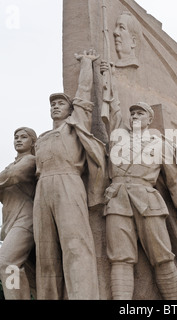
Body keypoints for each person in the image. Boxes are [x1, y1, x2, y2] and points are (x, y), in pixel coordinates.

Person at [100, 61, 177, 300]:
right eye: (132, 113)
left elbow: (174, 179)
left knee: (162, 255)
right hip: (117, 198)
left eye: (139, 113)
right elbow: (112, 106)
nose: (134, 116)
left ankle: (174, 303)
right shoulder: (117, 138)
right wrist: (107, 75)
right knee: (120, 257)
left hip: (147, 199)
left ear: (149, 119)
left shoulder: (161, 144)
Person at [33, 49, 107, 300]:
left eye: (60, 103)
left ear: (70, 108)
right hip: (43, 187)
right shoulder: (41, 139)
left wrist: (86, 63)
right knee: (45, 251)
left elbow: (84, 95)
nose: (55, 106)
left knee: (76, 244)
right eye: (52, 104)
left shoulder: (76, 125)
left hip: (68, 181)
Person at [0, 127, 37, 299]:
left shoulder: (30, 160)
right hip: (10, 221)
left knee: (6, 262)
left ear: (32, 142)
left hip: (25, 220)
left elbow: (14, 175)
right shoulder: (10, 166)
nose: (18, 140)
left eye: (24, 137)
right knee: (20, 269)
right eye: (16, 137)